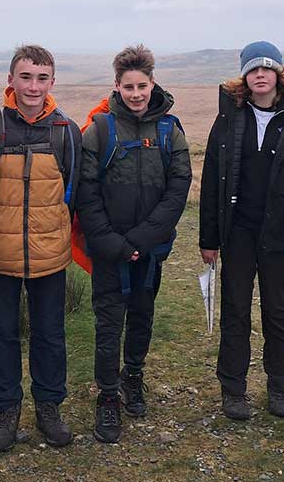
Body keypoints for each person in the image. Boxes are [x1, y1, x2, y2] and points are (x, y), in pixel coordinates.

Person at [198, 40, 284, 420]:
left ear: (278, 74)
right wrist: (209, 240)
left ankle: (280, 388)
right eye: (252, 68)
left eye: (266, 68)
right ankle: (233, 391)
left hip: (281, 240)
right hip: (237, 236)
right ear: (244, 76)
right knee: (235, 313)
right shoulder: (229, 119)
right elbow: (211, 183)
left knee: (278, 313)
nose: (259, 74)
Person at [0, 45, 82, 452]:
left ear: (52, 82)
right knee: (0, 335)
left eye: (42, 78)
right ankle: (6, 411)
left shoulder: (66, 131)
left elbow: (73, 192)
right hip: (0, 252)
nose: (34, 86)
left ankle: (49, 408)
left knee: (50, 334)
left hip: (50, 254)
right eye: (26, 77)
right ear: (11, 80)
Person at [76, 44, 192, 443]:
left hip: (151, 250)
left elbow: (179, 188)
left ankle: (133, 377)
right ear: (117, 86)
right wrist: (112, 243)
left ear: (152, 82)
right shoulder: (101, 130)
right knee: (109, 324)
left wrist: (143, 239)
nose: (137, 93)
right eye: (129, 87)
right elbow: (85, 193)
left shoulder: (169, 130)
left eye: (142, 85)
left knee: (142, 316)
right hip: (110, 252)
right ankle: (107, 397)